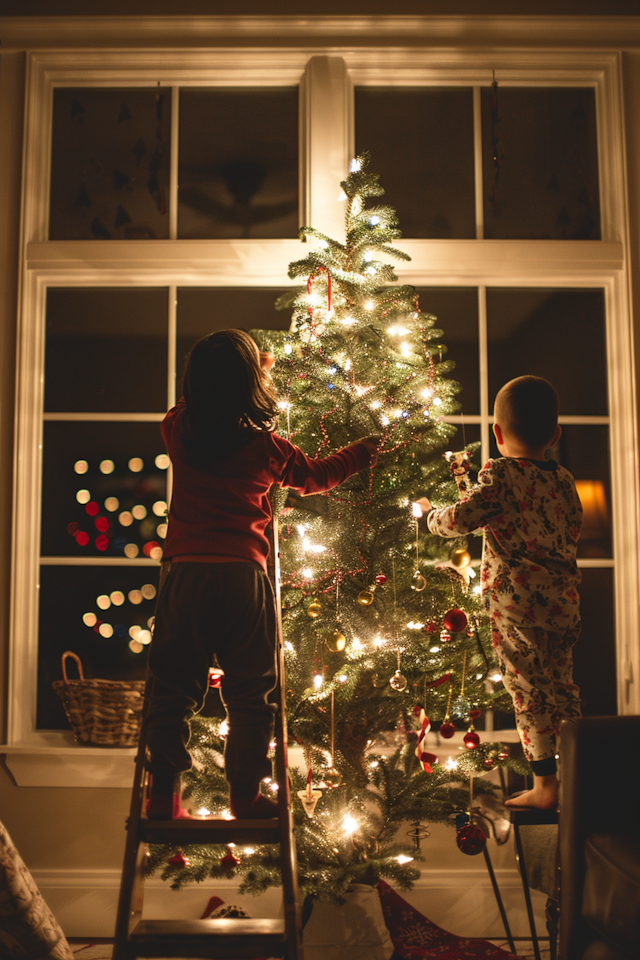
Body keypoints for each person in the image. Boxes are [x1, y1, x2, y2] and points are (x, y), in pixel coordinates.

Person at [145, 329, 378, 820]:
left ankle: (163, 796)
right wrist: (361, 452)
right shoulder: (267, 448)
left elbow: (190, 401)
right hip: (241, 580)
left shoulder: (177, 430)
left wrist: (239, 373)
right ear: (251, 386)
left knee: (171, 691)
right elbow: (318, 477)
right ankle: (245, 796)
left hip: (185, 575)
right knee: (252, 694)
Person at [416, 376, 582, 810]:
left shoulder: (501, 473)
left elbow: (460, 520)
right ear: (556, 434)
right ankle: (579, 777)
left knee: (528, 690)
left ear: (497, 434)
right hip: (564, 604)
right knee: (562, 687)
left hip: (519, 606)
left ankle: (547, 788)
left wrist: (429, 515)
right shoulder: (563, 479)